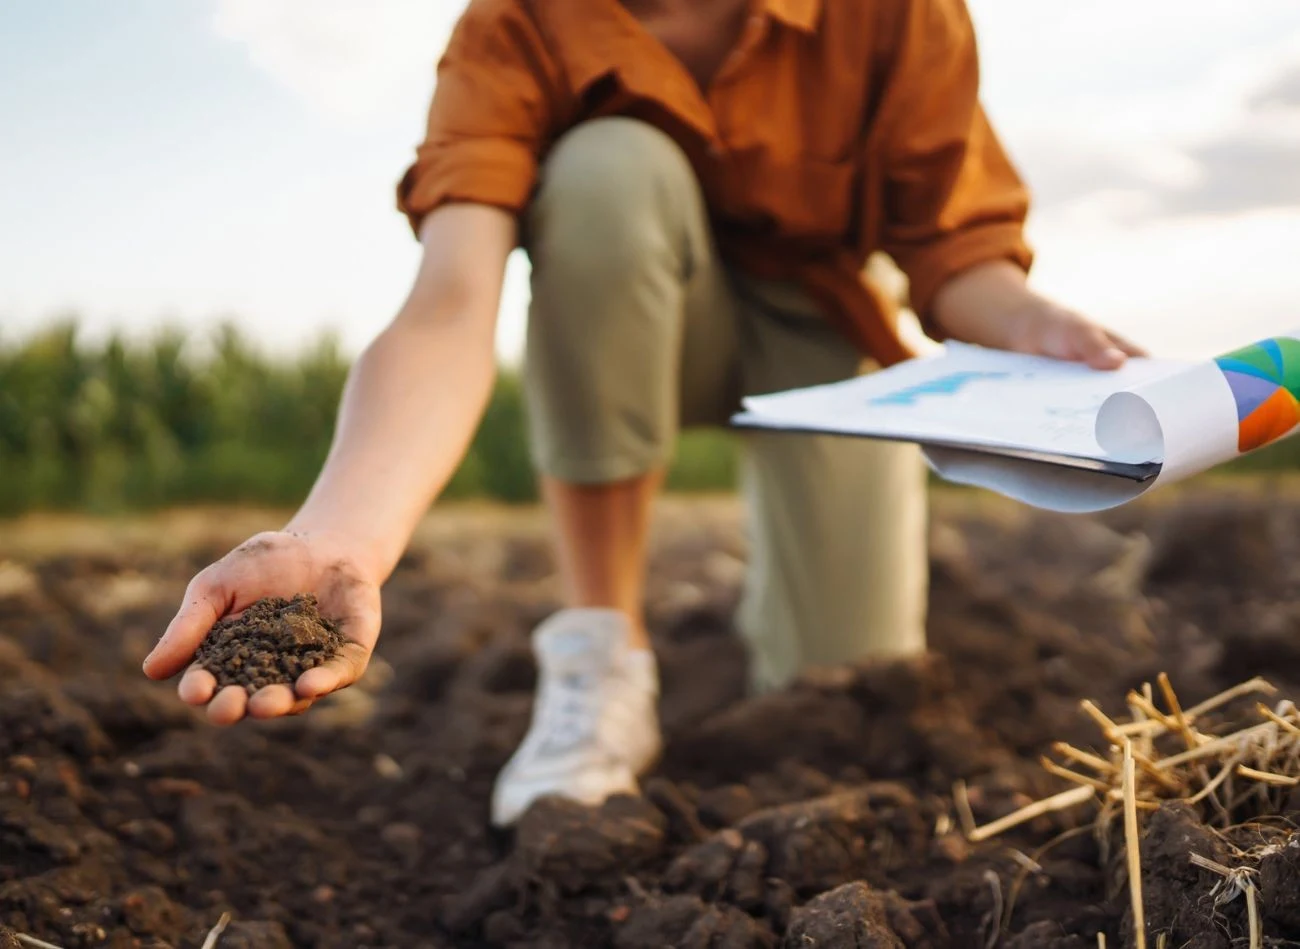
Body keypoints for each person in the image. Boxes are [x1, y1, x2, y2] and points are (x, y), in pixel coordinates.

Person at [143, 0, 1142, 826]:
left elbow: (954, 248)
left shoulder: (893, 14)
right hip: (621, 325)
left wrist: (1034, 325)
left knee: (845, 689)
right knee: (607, 167)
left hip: (823, 342)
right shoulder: (518, 25)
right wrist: (338, 537)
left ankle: (772, 604)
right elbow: (449, 307)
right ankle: (600, 650)